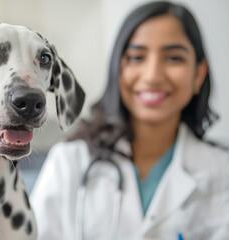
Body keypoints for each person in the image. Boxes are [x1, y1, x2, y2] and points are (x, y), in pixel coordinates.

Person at [30, 1, 229, 240]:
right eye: (136, 57)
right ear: (117, 69)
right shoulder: (70, 162)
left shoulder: (222, 172)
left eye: (174, 58)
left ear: (198, 73)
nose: (153, 75)